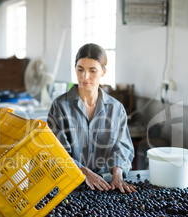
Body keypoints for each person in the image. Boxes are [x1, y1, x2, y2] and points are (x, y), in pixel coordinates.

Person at [47, 43, 136, 193]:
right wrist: (84, 172)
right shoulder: (60, 106)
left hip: (105, 185)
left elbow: (122, 146)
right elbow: (56, 150)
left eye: (92, 71)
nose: (84, 76)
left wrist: (118, 174)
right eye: (80, 69)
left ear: (103, 72)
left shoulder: (116, 108)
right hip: (69, 183)